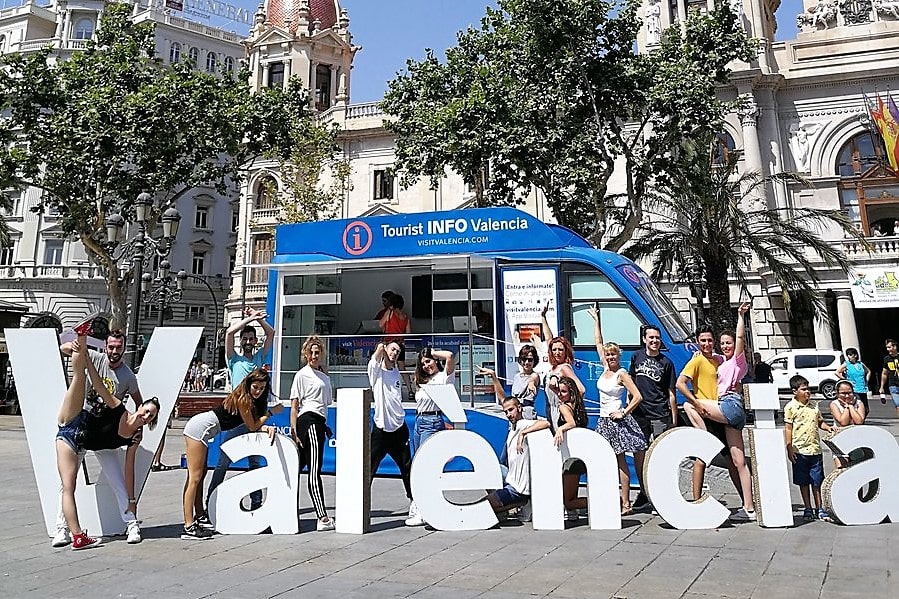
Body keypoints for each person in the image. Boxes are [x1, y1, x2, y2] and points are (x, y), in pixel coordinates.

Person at [55, 327, 160, 550]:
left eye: (118, 348)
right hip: (83, 428)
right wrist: (74, 346)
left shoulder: (128, 377)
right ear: (105, 346)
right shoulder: (95, 357)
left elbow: (140, 402)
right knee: (67, 485)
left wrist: (136, 423)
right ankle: (62, 528)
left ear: (124, 349)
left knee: (117, 480)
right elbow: (65, 350)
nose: (114, 351)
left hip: (108, 434)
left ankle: (131, 523)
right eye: (111, 347)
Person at [678, 307, 756, 522]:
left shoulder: (735, 360)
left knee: (689, 406)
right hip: (728, 411)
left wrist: (740, 317)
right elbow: (710, 362)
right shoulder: (720, 360)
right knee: (738, 461)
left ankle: (702, 435)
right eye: (722, 343)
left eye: (726, 343)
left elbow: (739, 336)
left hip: (725, 407)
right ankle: (749, 507)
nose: (724, 346)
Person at [181, 368, 277, 539]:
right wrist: (271, 413)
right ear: (248, 385)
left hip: (204, 429)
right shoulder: (243, 399)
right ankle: (189, 526)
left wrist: (264, 425)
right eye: (256, 387)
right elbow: (253, 426)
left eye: (262, 388)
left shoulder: (246, 399)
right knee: (194, 478)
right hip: (199, 429)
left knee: (199, 476)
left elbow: (252, 425)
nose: (258, 391)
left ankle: (200, 515)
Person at [212, 308, 276, 508]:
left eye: (251, 338)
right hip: (234, 417)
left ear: (255, 341)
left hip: (254, 416)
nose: (248, 342)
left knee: (255, 462)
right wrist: (250, 318)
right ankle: (211, 501)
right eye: (245, 339)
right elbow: (229, 333)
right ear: (241, 342)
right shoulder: (233, 359)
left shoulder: (259, 358)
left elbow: (271, 334)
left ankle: (256, 503)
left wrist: (260, 320)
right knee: (224, 460)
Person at [588, 306, 648, 515]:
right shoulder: (605, 369)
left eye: (613, 354)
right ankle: (612, 499)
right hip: (603, 421)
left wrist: (624, 412)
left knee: (620, 460)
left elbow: (638, 396)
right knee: (607, 460)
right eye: (608, 354)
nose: (610, 357)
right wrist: (596, 320)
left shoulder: (622, 374)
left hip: (617, 420)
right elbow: (598, 342)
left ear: (618, 355)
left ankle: (626, 503)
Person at [628, 323, 677, 510]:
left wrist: (673, 419)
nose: (655, 340)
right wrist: (628, 407)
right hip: (640, 414)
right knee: (639, 454)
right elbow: (631, 384)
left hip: (660, 414)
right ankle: (644, 491)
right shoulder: (636, 357)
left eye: (657, 338)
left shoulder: (667, 363)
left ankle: (661, 492)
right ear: (644, 339)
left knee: (660, 455)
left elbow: (671, 392)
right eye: (651, 338)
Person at [405, 346, 455, 526]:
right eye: (423, 363)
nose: (426, 365)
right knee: (417, 464)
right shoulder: (423, 381)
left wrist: (430, 352)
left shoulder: (443, 378)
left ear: (435, 361)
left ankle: (425, 509)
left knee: (426, 465)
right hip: (419, 421)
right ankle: (418, 504)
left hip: (433, 420)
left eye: (428, 362)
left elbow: (450, 356)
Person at [289, 335, 335, 531]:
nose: (314, 355)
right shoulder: (301, 375)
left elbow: (326, 404)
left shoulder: (325, 377)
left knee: (302, 467)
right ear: (305, 354)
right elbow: (295, 405)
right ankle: (322, 516)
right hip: (308, 422)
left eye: (317, 352)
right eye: (311, 352)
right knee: (314, 469)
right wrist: (294, 430)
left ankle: (288, 509)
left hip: (318, 422)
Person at [367, 341, 414, 519]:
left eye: (398, 351)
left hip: (399, 429)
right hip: (380, 431)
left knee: (407, 468)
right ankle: (360, 503)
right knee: (369, 469)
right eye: (392, 349)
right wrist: (383, 347)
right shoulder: (376, 371)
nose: (395, 353)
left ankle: (414, 502)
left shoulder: (396, 372)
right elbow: (377, 353)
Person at [486, 396, 550, 518]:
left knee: (485, 504)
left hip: (518, 487)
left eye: (511, 410)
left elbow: (546, 423)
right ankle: (504, 509)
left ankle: (519, 501)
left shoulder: (523, 424)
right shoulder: (512, 428)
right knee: (489, 470)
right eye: (506, 412)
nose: (509, 414)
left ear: (519, 408)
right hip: (510, 477)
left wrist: (524, 433)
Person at [784, 374, 837, 521]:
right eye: (804, 389)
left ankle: (820, 507)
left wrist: (828, 428)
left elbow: (820, 422)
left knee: (817, 480)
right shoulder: (790, 407)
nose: (808, 392)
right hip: (799, 450)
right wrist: (789, 448)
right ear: (795, 391)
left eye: (809, 389)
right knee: (803, 481)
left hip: (815, 450)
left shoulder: (814, 405)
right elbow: (788, 428)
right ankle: (808, 507)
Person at [547, 375, 589, 520]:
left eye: (563, 391)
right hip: (577, 455)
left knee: (569, 502)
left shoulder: (564, 407)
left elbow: (571, 423)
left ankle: (608, 501)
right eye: (558, 391)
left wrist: (560, 429)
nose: (559, 394)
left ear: (571, 392)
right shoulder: (578, 405)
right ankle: (574, 513)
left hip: (571, 459)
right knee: (570, 495)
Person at [480, 344, 540, 419]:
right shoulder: (517, 377)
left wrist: (531, 384)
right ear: (520, 360)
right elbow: (504, 400)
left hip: (527, 413)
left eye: (530, 360)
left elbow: (533, 379)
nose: (527, 362)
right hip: (514, 414)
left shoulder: (535, 375)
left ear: (534, 361)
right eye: (524, 359)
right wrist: (493, 376)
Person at [829, 379, 866, 469]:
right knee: (842, 470)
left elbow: (859, 421)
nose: (847, 396)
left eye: (849, 392)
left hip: (856, 441)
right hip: (840, 441)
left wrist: (850, 406)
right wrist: (846, 408)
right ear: (837, 394)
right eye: (843, 393)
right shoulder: (834, 404)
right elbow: (843, 422)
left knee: (857, 470)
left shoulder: (859, 403)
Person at [379, 293, 411, 379]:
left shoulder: (390, 312)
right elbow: (408, 333)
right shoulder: (405, 316)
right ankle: (410, 389)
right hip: (400, 344)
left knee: (387, 366)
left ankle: (390, 386)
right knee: (402, 368)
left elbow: (380, 324)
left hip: (389, 343)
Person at [836, 348, 871, 414]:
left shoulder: (860, 364)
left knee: (866, 409)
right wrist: (846, 380)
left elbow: (868, 371)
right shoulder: (847, 364)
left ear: (855, 355)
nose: (849, 356)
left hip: (862, 388)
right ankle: (858, 421)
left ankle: (860, 419)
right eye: (848, 355)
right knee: (858, 406)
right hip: (854, 389)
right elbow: (837, 372)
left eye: (850, 354)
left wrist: (866, 380)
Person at [878, 338, 899, 417]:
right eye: (887, 347)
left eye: (889, 347)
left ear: (895, 347)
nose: (888, 349)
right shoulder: (886, 359)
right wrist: (882, 387)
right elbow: (884, 373)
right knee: (897, 404)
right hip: (893, 385)